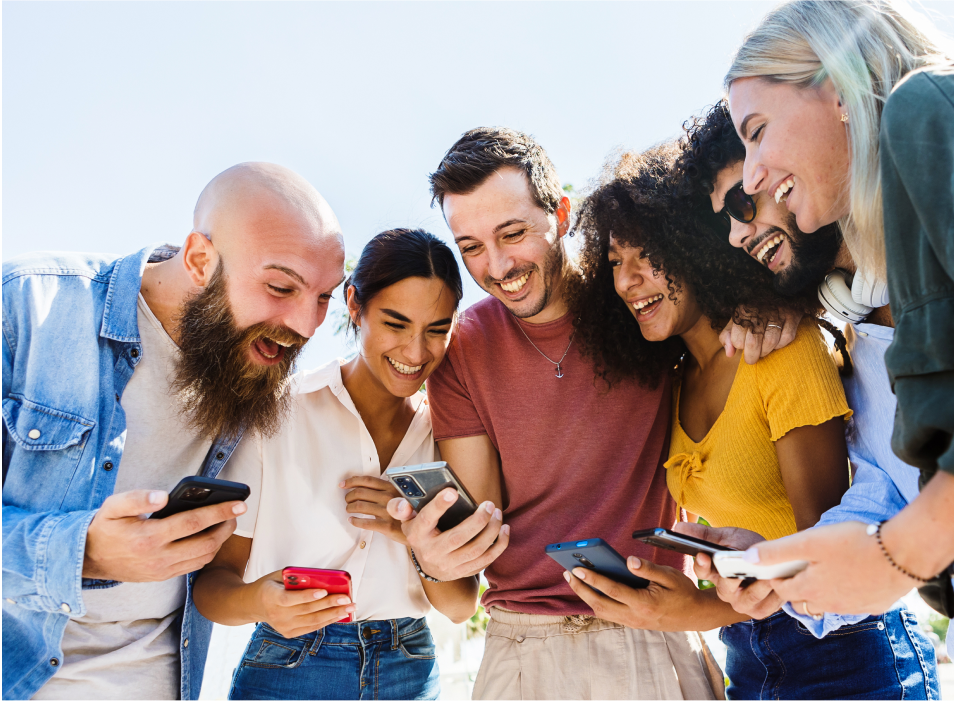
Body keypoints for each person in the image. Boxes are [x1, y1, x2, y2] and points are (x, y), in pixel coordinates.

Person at [719, 0, 954, 698]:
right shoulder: (893, 290)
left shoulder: (933, 99)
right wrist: (784, 561)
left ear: (836, 84)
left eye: (758, 131)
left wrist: (899, 554)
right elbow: (906, 489)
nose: (755, 173)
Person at [567, 141, 939, 700]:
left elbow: (827, 544)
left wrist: (698, 608)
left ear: (692, 247)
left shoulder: (778, 349)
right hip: (747, 655)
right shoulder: (673, 383)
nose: (626, 281)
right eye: (616, 263)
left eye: (646, 254)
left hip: (846, 651)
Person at [676, 97, 954, 700]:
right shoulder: (856, 352)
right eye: (726, 225)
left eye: (745, 204)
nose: (738, 235)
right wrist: (779, 563)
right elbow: (879, 511)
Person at [385, 127, 724, 701]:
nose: (497, 267)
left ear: (561, 213)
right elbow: (480, 528)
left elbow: (717, 339)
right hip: (524, 650)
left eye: (513, 233)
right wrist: (435, 556)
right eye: (470, 247)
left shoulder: (636, 297)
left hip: (652, 630)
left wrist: (760, 315)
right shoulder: (462, 349)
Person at [2, 162, 346, 701]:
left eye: (325, 297)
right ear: (200, 259)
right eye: (281, 286)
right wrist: (81, 552)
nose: (304, 325)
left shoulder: (255, 369)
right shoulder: (24, 308)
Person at [193, 228, 476, 701]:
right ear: (354, 305)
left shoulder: (447, 436)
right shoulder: (279, 411)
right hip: (290, 664)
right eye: (395, 323)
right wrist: (261, 600)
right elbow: (211, 587)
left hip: (409, 668)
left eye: (437, 330)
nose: (415, 352)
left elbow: (461, 604)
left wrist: (410, 530)